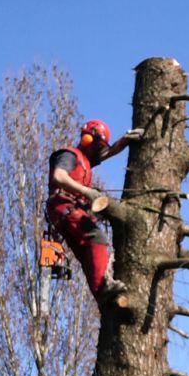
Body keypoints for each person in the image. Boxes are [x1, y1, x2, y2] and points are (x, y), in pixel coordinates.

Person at [46, 119, 142, 302]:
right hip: (63, 206)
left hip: (66, 210)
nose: (98, 151)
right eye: (97, 146)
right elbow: (58, 176)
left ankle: (102, 298)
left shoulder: (86, 160)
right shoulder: (69, 155)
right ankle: (104, 287)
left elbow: (109, 152)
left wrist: (126, 140)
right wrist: (85, 191)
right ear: (87, 139)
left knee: (87, 255)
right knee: (96, 237)